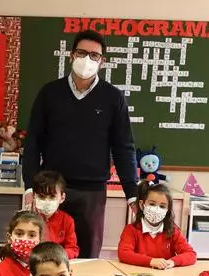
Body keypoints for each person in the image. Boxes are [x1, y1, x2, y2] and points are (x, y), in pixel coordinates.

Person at [22, 29, 137, 258]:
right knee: (44, 256)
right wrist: (30, 186)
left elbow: (123, 147)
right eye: (82, 53)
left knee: (87, 257)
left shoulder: (113, 98)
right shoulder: (50, 93)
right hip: (51, 191)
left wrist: (132, 193)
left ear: (102, 62)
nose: (87, 59)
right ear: (72, 55)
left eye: (94, 55)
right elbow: (33, 142)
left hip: (91, 193)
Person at [117, 181, 196, 269]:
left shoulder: (173, 231)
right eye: (152, 204)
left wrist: (172, 262)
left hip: (164, 275)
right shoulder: (131, 230)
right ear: (142, 205)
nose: (157, 209)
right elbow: (124, 253)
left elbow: (191, 254)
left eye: (162, 206)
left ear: (168, 210)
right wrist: (151, 261)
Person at [29, 171, 80, 259]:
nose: (46, 201)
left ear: (62, 198)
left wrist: (56, 255)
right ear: (34, 196)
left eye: (52, 197)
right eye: (42, 197)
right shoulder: (27, 219)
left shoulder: (67, 221)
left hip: (57, 261)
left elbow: (72, 249)